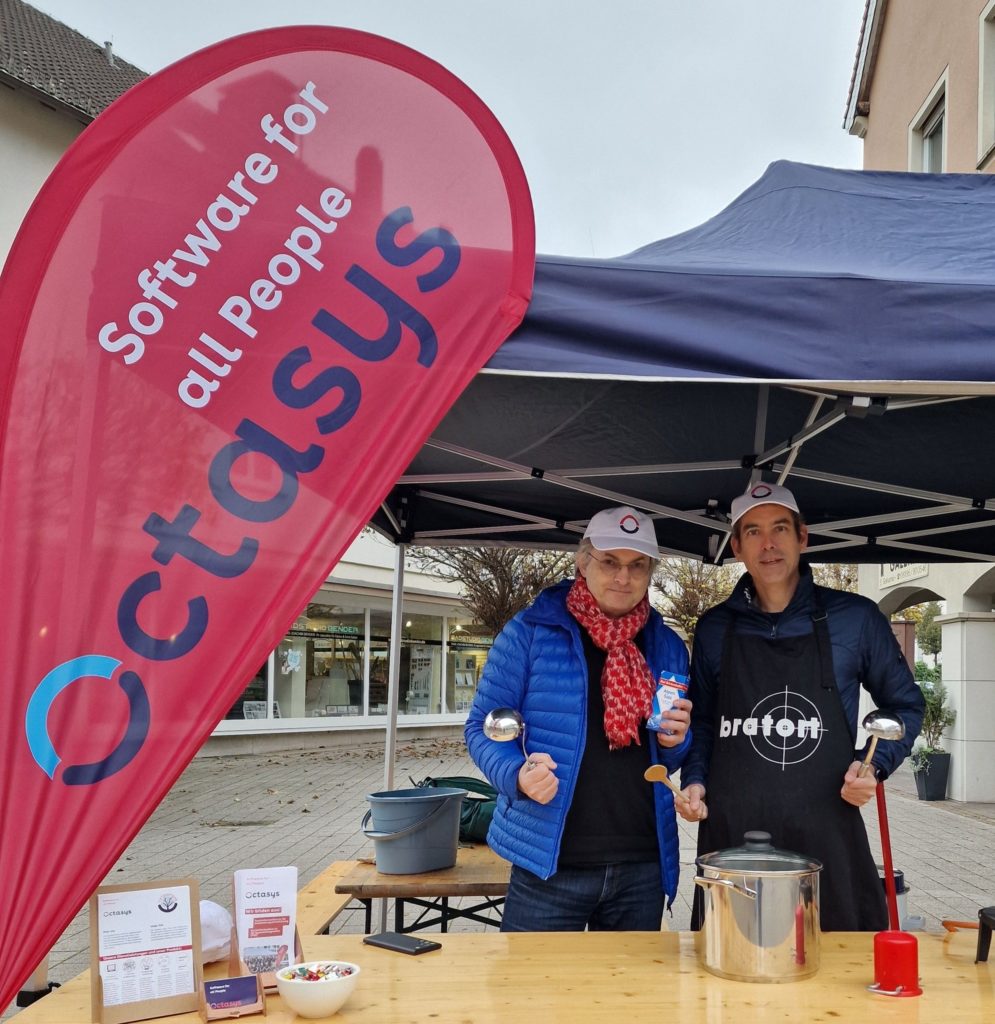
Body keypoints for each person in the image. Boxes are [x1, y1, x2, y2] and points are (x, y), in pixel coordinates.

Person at [679, 482, 925, 931]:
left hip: (827, 833)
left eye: (779, 529)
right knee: (732, 970)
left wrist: (874, 765)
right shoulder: (715, 627)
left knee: (838, 974)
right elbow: (702, 720)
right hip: (733, 837)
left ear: (802, 537)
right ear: (736, 546)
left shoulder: (856, 617)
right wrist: (694, 780)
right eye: (752, 532)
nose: (767, 544)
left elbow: (905, 705)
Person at [465, 506, 692, 931]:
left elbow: (672, 752)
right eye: (610, 562)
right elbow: (483, 725)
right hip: (549, 864)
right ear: (583, 562)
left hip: (641, 864)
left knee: (629, 998)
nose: (623, 577)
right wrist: (517, 774)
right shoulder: (530, 632)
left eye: (637, 565)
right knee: (532, 996)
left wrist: (676, 741)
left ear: (650, 572)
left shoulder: (666, 645)